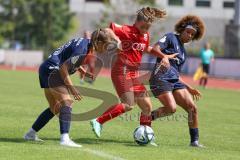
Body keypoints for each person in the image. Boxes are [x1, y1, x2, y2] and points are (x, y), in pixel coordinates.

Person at [24, 28, 119, 147]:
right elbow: (64, 68)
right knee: (67, 102)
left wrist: (82, 71)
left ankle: (30, 134)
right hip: (52, 70)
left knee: (55, 108)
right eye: (105, 46)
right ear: (99, 42)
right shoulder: (83, 49)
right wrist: (72, 88)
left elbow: (69, 59)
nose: (105, 50)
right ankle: (65, 139)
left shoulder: (85, 43)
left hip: (46, 68)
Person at [90, 7, 177, 138]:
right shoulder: (126, 30)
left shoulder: (146, 35)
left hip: (133, 74)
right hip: (121, 71)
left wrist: (163, 55)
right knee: (128, 104)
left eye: (148, 27)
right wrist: (117, 41)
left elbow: (146, 48)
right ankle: (98, 121)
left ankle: (146, 135)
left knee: (147, 106)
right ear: (136, 22)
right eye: (143, 27)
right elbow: (108, 29)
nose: (145, 30)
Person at [149, 15, 205, 147]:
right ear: (182, 29)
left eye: (192, 34)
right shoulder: (170, 37)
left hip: (174, 81)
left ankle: (194, 142)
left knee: (192, 108)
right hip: (160, 78)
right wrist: (164, 56)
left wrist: (188, 87)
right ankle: (146, 118)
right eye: (188, 32)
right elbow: (154, 49)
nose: (189, 35)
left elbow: (176, 73)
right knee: (171, 108)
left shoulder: (184, 53)